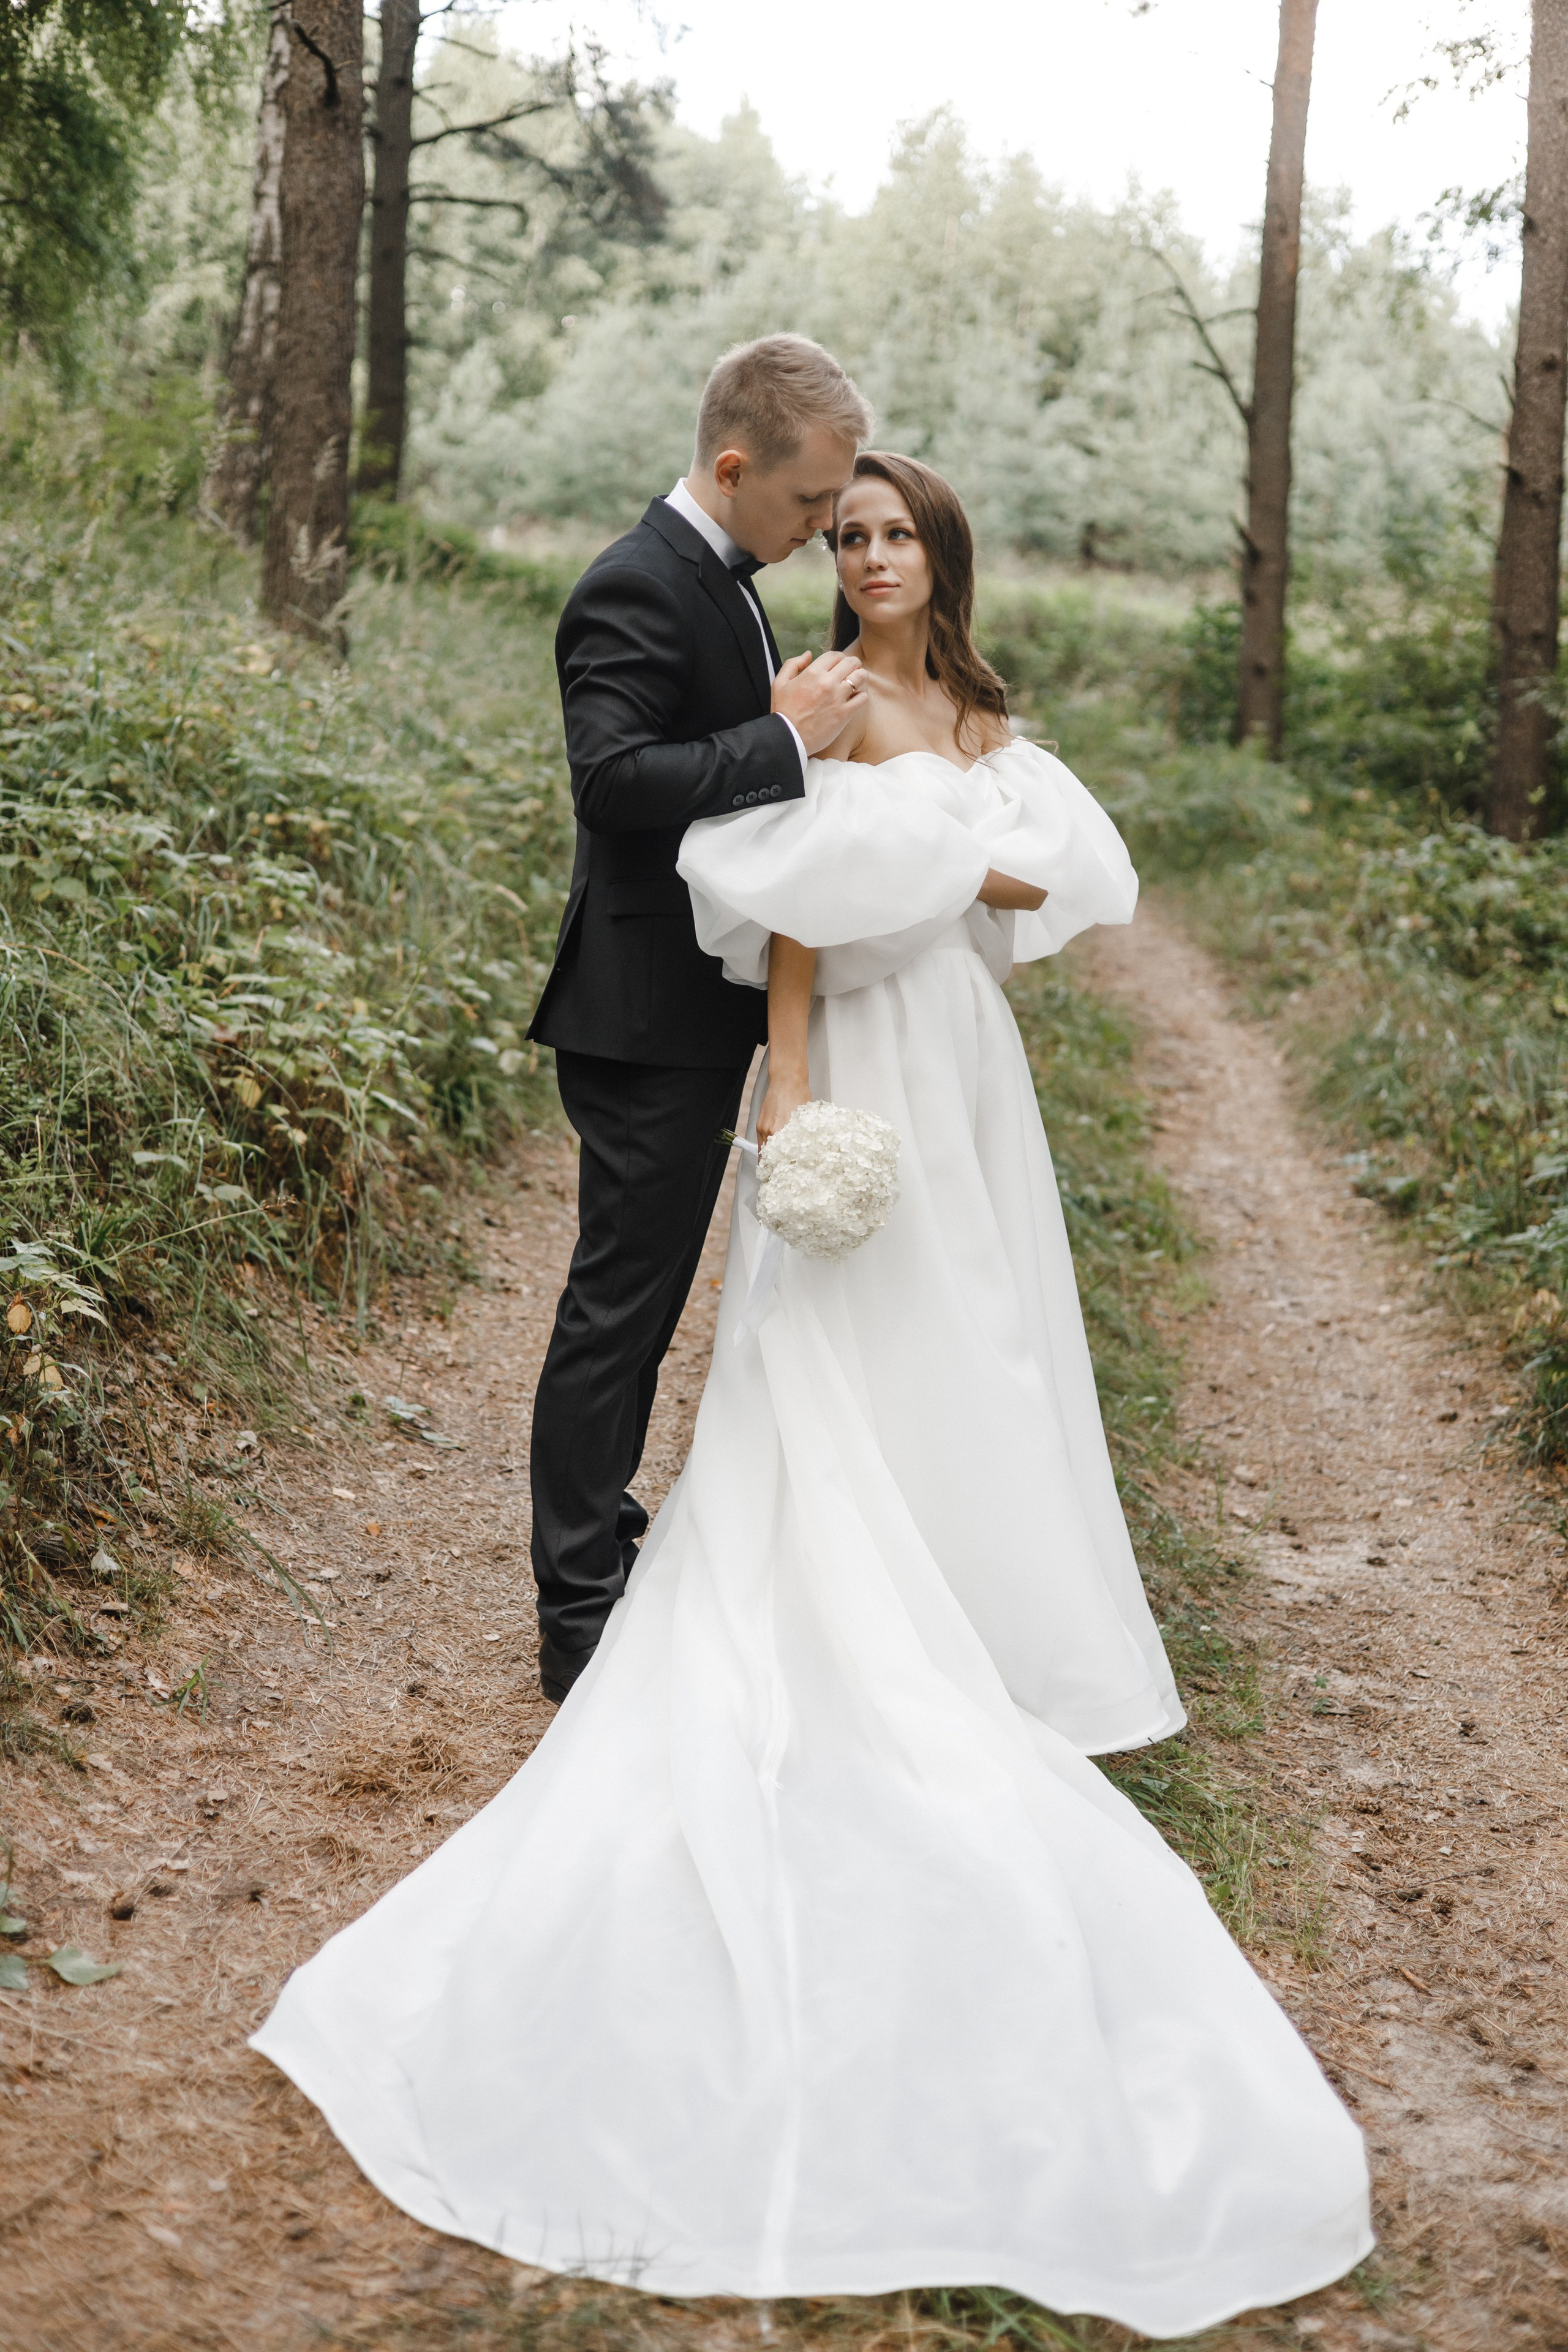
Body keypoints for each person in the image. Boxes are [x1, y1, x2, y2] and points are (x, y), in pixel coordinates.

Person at [252, 451, 1373, 2339]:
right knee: (814, 1372)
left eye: (892, 532)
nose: (861, 556)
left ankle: (979, 1615)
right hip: (848, 1051)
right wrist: (791, 1104)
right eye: (842, 532)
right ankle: (781, 1629)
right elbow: (781, 911)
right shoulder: (827, 705)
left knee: (987, 1352)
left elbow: (1041, 889)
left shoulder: (978, 707)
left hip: (962, 1062)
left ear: (942, 550)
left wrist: (948, 861)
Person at [524, 333, 874, 1704]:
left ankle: (604, 1545)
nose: (816, 533)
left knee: (649, 1304)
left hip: (692, 1014)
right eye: (803, 505)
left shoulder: (719, 583)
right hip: (638, 1019)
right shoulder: (631, 582)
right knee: (617, 1314)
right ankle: (578, 1615)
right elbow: (610, 782)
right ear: (731, 468)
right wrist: (782, 741)